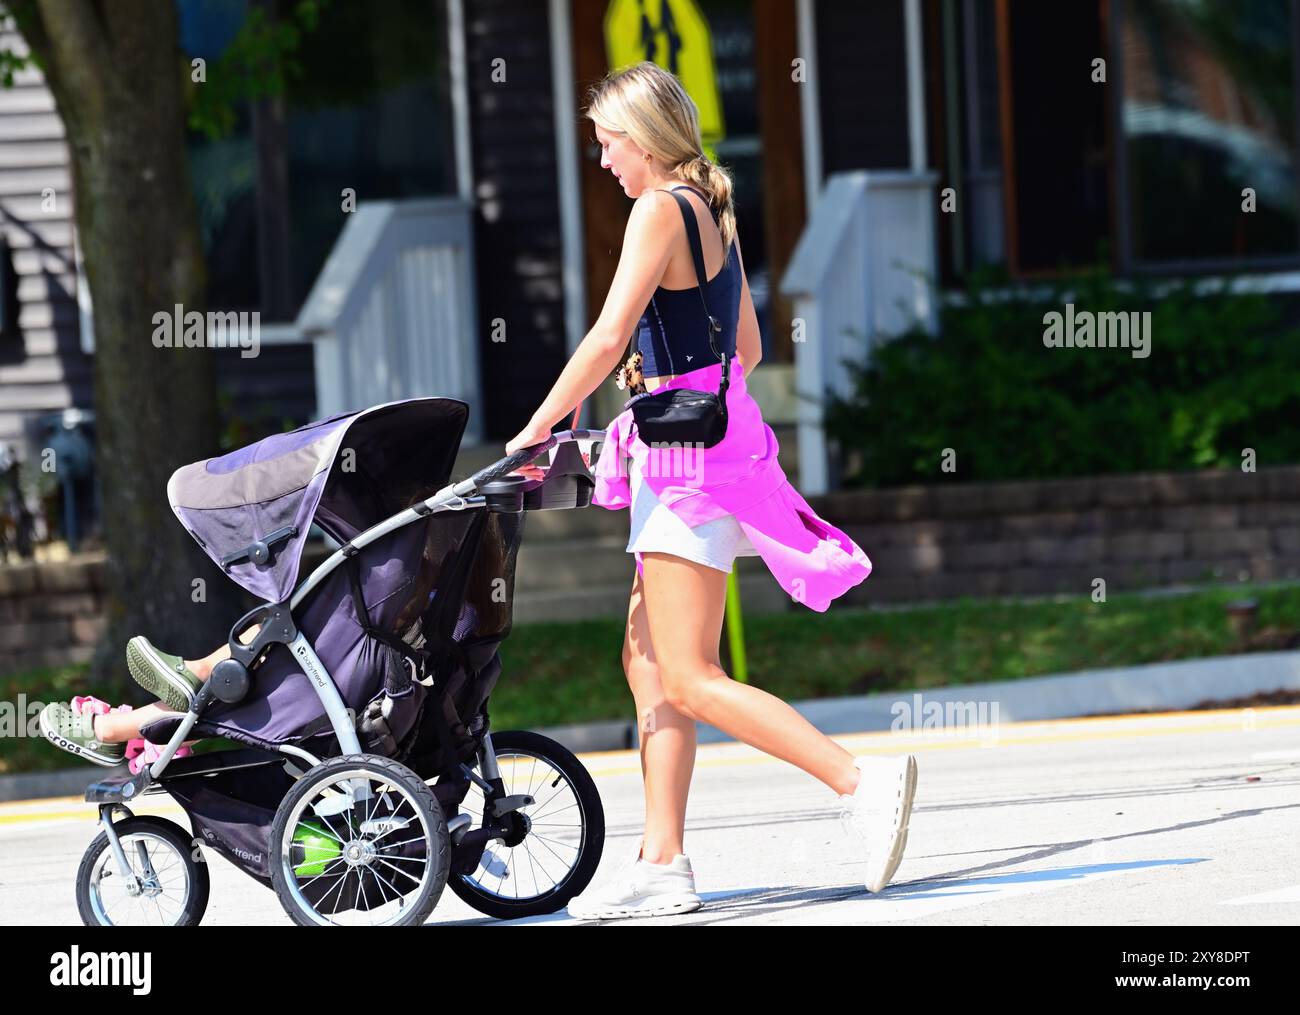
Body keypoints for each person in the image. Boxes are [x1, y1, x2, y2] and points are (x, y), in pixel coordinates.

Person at [502, 61, 918, 921]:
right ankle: (662, 861)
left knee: (686, 674)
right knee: (646, 661)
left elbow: (610, 329)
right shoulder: (711, 211)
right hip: (709, 452)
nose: (605, 160)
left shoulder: (658, 209)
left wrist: (539, 426)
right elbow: (750, 348)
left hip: (688, 470)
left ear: (645, 140)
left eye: (610, 144)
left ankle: (858, 780)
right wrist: (674, 385)